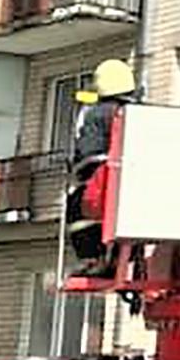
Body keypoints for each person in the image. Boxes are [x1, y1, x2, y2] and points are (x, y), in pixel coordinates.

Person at [66, 57, 136, 279]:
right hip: (134, 185)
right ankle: (120, 258)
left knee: (77, 208)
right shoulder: (137, 111)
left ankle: (92, 259)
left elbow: (88, 152)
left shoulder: (96, 113)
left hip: (103, 179)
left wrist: (77, 168)